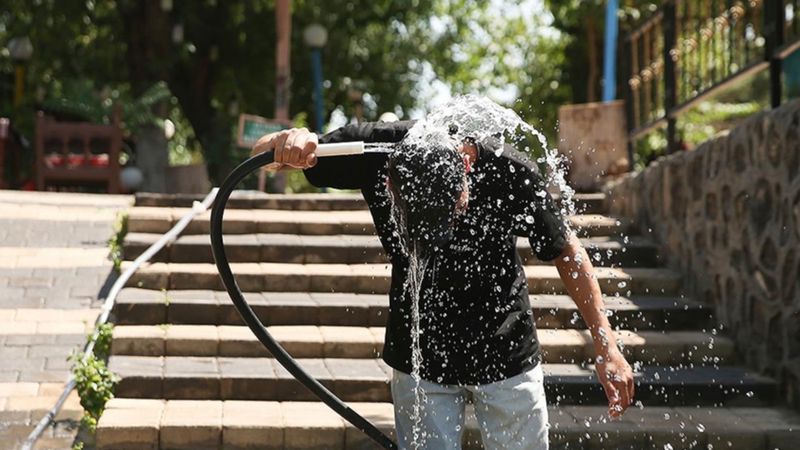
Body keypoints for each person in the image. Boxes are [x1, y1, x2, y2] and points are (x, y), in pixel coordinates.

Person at [251, 121, 635, 450]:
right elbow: (261, 154)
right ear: (389, 178)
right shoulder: (371, 150)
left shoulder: (510, 170)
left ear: (466, 166)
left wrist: (606, 343)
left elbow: (566, 252)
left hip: (505, 351)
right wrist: (287, 142)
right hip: (419, 355)